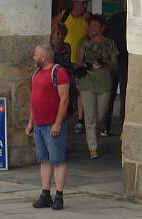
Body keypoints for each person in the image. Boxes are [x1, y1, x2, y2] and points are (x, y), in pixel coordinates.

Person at [26, 44, 70, 211]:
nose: (34, 57)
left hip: (52, 124)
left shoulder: (59, 73)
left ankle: (59, 195)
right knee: (44, 159)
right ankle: (46, 193)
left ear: (44, 57)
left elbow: (64, 99)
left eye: (36, 55)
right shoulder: (36, 74)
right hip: (39, 124)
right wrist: (31, 122)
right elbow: (34, 101)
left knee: (58, 160)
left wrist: (58, 123)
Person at [77, 13, 117, 159]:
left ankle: (94, 138)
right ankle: (92, 148)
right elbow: (79, 62)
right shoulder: (84, 43)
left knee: (99, 115)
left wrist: (105, 62)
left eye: (96, 25)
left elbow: (114, 65)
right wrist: (83, 66)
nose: (93, 28)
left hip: (104, 82)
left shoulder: (110, 43)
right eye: (91, 25)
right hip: (87, 82)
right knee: (90, 117)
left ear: (102, 27)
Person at [53, 0, 88, 133]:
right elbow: (51, 31)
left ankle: (80, 119)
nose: (84, 6)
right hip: (63, 62)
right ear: (74, 2)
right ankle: (62, 117)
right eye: (82, 3)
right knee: (63, 92)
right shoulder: (64, 15)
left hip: (78, 61)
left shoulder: (86, 19)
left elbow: (90, 40)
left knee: (79, 91)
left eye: (86, 3)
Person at [101, 9, 126, 137]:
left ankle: (106, 126)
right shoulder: (128, 20)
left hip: (112, 60)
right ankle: (123, 127)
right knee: (124, 97)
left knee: (109, 95)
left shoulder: (114, 19)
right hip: (125, 60)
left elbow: (105, 35)